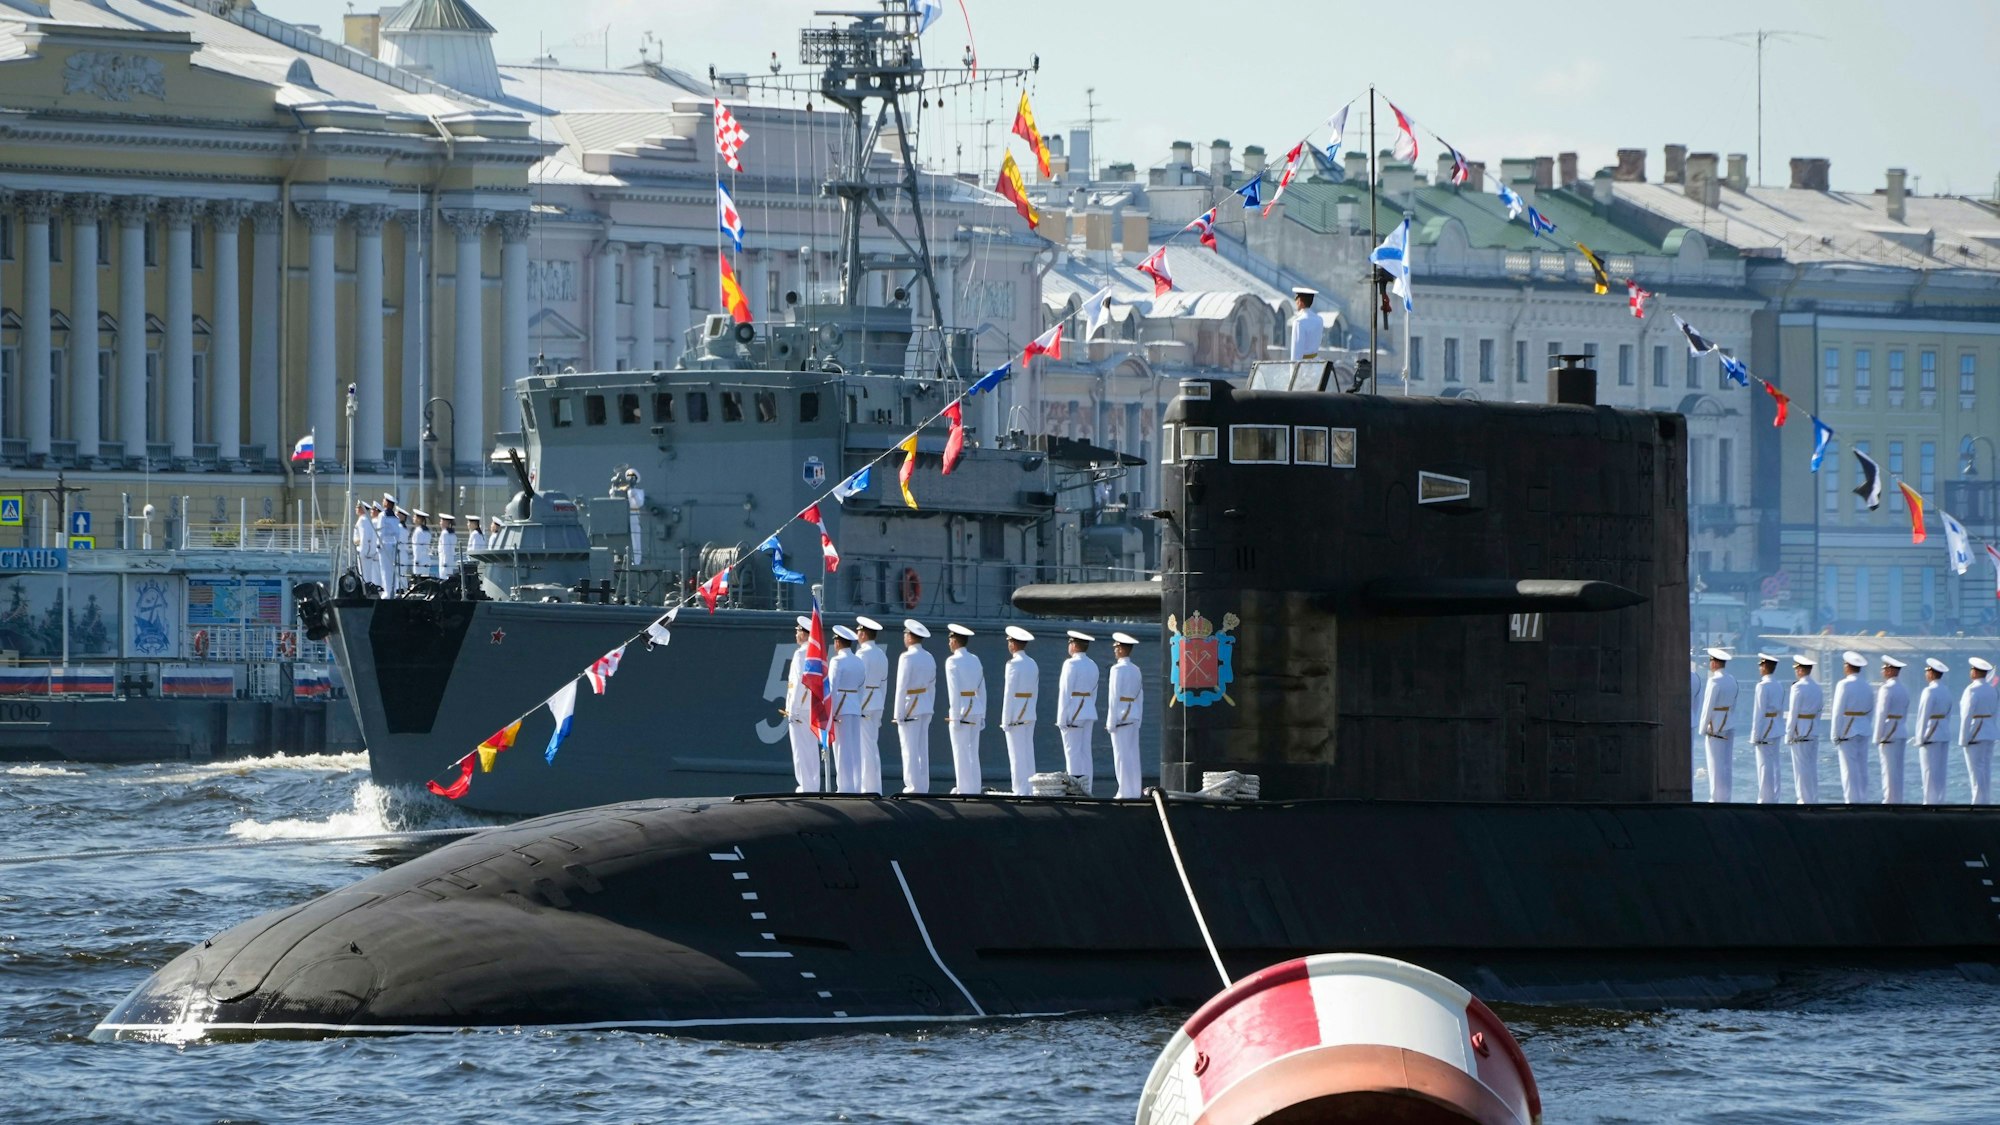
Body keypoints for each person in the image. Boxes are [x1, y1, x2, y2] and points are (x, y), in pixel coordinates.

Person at [893, 619, 936, 795]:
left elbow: (901, 687)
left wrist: (898, 714)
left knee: (909, 748)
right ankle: (923, 786)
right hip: (925, 705)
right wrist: (930, 707)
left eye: (905, 634)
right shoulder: (929, 657)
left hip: (910, 706)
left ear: (910, 637)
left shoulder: (907, 657)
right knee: (922, 749)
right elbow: (933, 685)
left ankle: (911, 787)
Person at [944, 625, 986, 795]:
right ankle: (975, 787)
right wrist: (982, 713)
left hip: (961, 710)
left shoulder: (952, 661)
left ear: (954, 641)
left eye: (950, 640)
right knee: (973, 751)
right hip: (975, 707)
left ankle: (963, 789)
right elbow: (982, 688)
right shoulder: (975, 659)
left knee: (960, 752)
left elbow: (953, 690)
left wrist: (954, 717)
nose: (949, 643)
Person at [1058, 630, 1100, 794]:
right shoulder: (1093, 665)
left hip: (1073, 711)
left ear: (1074, 645)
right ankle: (1087, 788)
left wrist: (1061, 718)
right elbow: (1094, 691)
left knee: (1072, 752)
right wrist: (1089, 707)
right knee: (1085, 752)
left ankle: (1074, 788)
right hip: (1089, 710)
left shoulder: (1070, 664)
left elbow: (1065, 691)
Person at [783, 616, 820, 793]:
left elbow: (798, 682)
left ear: (804, 634)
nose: (796, 634)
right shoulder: (816, 652)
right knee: (811, 747)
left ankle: (805, 785)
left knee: (800, 749)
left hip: (800, 707)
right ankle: (814, 784)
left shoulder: (800, 654)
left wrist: (793, 709)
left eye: (798, 631)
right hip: (812, 706)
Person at [1000, 626, 1039, 796]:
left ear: (1014, 644)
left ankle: (1019, 789)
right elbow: (1035, 690)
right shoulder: (1032, 663)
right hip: (1029, 713)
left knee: (1016, 755)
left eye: (1010, 642)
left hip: (1016, 714)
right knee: (1028, 753)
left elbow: (1009, 693)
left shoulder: (1013, 664)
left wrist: (1006, 719)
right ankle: (1030, 788)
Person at [1105, 632, 1144, 799]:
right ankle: (1135, 790)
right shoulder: (1136, 670)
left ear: (1121, 649)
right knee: (1133, 756)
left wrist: (1111, 722)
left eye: (1116, 647)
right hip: (1134, 717)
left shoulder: (1117, 669)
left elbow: (1113, 696)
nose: (1114, 650)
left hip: (1121, 718)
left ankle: (1124, 791)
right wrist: (1139, 718)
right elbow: (1140, 696)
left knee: (1121, 756)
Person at [852, 616, 888, 795]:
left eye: (858, 631)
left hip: (864, 704)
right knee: (872, 746)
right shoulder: (881, 654)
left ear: (864, 634)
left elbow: (859, 681)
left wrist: (857, 705)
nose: (857, 634)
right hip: (876, 702)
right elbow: (884, 683)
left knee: (865, 748)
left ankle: (868, 788)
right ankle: (875, 786)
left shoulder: (862, 654)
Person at [1831, 651, 1872, 804]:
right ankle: (1862, 798)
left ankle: (1851, 800)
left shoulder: (1844, 684)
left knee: (1848, 768)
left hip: (1848, 729)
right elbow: (1871, 710)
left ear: (1848, 666)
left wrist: (1835, 734)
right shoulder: (1867, 685)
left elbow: (1838, 711)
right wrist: (1866, 724)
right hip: (1864, 727)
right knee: (1862, 767)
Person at [828, 625, 866, 794]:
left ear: (838, 643)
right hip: (854, 706)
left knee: (841, 749)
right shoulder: (859, 661)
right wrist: (857, 703)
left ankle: (844, 787)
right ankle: (857, 786)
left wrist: (832, 711)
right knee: (855, 749)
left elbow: (833, 687)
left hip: (841, 707)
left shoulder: (837, 661)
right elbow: (861, 686)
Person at [1697, 647, 1738, 803]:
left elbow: (1708, 707)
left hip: (1715, 726)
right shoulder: (1732, 679)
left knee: (1715, 765)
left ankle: (1715, 798)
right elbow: (1733, 703)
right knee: (1726, 765)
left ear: (1714, 663)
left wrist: (1702, 729)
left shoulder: (1714, 681)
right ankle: (1726, 798)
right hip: (1729, 723)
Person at [1915, 657, 1955, 805]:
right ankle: (1939, 800)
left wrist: (1919, 738)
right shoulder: (1947, 690)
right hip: (1944, 732)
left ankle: (1929, 802)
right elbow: (1949, 713)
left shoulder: (1929, 691)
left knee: (1928, 771)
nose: (1926, 674)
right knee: (1940, 771)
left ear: (1931, 673)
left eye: (1927, 671)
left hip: (1930, 734)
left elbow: (1923, 715)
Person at [1872, 655, 1912, 803]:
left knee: (1888, 770)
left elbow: (1881, 713)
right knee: (1898, 769)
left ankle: (1889, 800)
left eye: (1884, 668)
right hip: (1901, 729)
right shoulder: (1904, 688)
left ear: (1889, 670)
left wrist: (1877, 736)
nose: (1882, 671)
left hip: (1889, 732)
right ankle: (1898, 799)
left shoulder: (1886, 688)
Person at [1785, 654, 1823, 804]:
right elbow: (1820, 710)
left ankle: (1803, 799)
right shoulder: (1817, 688)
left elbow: (1793, 712)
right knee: (1811, 767)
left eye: (1797, 669)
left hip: (1799, 731)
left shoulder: (1798, 687)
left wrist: (1789, 734)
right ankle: (1813, 798)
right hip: (1813, 731)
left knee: (1800, 768)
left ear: (1800, 670)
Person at [1749, 653, 1784, 804]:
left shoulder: (1762, 686)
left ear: (1764, 666)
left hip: (1765, 728)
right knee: (1775, 765)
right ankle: (1774, 797)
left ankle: (1764, 799)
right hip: (1776, 726)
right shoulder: (1779, 684)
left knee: (1764, 765)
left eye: (1760, 665)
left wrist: (1755, 735)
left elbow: (1759, 712)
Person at [1961, 658, 1997, 804]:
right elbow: (1995, 712)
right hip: (1989, 732)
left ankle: (1977, 802)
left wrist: (1963, 739)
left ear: (1975, 672)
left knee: (1975, 771)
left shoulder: (1971, 690)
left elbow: (1966, 715)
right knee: (1986, 769)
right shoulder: (1993, 689)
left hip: (1975, 732)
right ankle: (1985, 800)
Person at [1287, 286, 1324, 364]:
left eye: (1296, 299)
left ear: (1300, 301)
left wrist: (1292, 372)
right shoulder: (1319, 319)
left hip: (1303, 367)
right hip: (1316, 364)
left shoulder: (1299, 322)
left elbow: (1296, 352)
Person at [352, 502, 379, 595]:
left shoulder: (363, 520)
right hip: (366, 550)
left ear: (362, 509)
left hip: (363, 551)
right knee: (366, 574)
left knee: (364, 574)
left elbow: (365, 537)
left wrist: (365, 552)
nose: (356, 508)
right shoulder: (366, 520)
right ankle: (367, 591)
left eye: (357, 507)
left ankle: (366, 592)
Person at [624, 468, 646, 567]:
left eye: (632, 478)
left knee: (635, 538)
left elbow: (640, 504)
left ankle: (636, 561)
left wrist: (633, 494)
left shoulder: (639, 492)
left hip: (634, 514)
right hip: (622, 515)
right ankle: (622, 558)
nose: (630, 480)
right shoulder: (624, 490)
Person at [408, 510, 433, 585]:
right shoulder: (427, 531)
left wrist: (417, 560)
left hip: (420, 559)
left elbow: (417, 547)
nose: (413, 518)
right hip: (426, 558)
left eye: (415, 517)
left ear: (419, 519)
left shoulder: (418, 531)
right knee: (425, 578)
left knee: (418, 579)